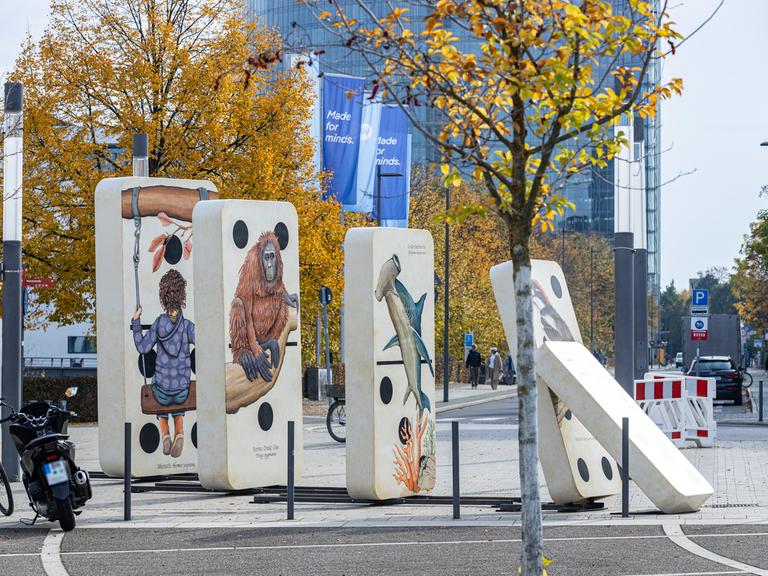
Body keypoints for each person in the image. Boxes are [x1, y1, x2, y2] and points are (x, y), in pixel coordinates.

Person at [132, 269, 195, 458]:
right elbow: (206, 343)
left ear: (163, 296)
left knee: (159, 387)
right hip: (182, 390)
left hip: (161, 392)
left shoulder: (159, 324)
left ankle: (165, 433)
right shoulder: (187, 326)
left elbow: (143, 348)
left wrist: (136, 323)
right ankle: (180, 432)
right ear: (181, 295)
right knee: (179, 395)